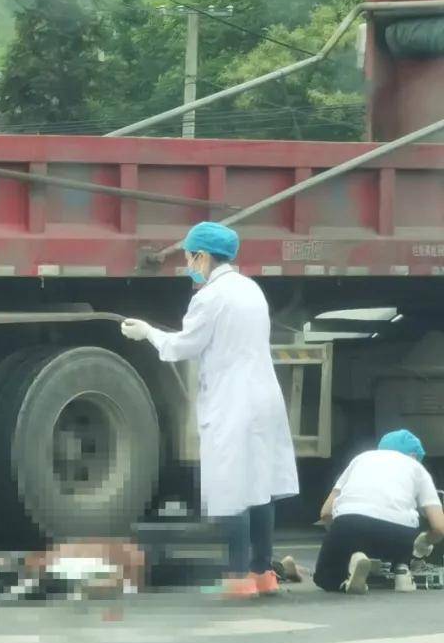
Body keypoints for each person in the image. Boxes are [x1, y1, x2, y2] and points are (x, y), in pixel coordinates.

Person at [121, 221, 299, 600]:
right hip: (263, 397)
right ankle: (263, 571)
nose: (187, 263)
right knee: (260, 485)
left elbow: (184, 346)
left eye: (188, 256)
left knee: (233, 486)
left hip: (233, 401)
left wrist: (147, 332)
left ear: (201, 255)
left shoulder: (210, 297)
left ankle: (239, 577)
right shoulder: (250, 289)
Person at [313, 430, 444, 594]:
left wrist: (338, 540)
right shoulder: (417, 468)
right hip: (397, 536)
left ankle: (348, 571)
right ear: (412, 455)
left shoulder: (360, 459)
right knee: (409, 520)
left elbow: (325, 513)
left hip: (349, 524)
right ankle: (401, 569)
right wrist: (423, 543)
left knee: (326, 577)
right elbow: (439, 527)